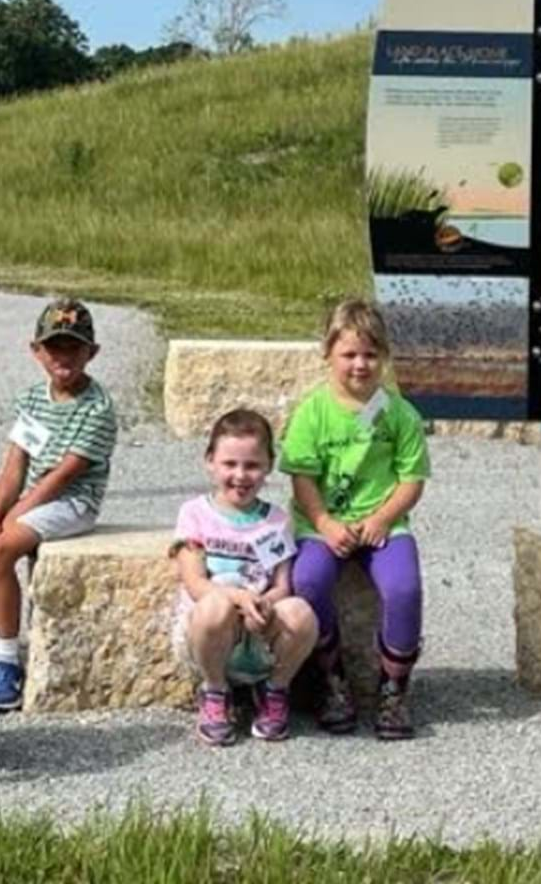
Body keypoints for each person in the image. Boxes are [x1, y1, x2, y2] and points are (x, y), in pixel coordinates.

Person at [0, 298, 118, 715]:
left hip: (72, 500)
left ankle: (8, 661)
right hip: (29, 497)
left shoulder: (98, 408)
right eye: (55, 347)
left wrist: (11, 519)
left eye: (74, 348)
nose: (64, 357)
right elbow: (14, 465)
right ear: (37, 351)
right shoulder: (31, 399)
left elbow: (65, 473)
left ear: (91, 353)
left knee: (0, 551)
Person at [278, 297, 430, 740]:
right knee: (308, 580)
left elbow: (412, 479)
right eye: (349, 354)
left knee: (404, 587)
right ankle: (332, 678)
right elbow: (302, 477)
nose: (360, 365)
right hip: (322, 524)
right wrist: (324, 522)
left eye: (370, 355)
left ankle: (394, 686)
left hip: (384, 522)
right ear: (328, 355)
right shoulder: (313, 411)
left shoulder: (399, 413)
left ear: (384, 357)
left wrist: (383, 518)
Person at [171, 409, 319, 746]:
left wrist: (265, 604)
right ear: (210, 461)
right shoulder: (195, 513)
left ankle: (274, 690)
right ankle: (215, 692)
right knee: (214, 607)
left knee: (301, 613)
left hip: (258, 630)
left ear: (268, 465)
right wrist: (239, 599)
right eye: (230, 464)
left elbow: (283, 583)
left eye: (252, 465)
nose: (240, 475)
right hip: (209, 632)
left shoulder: (276, 521)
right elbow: (195, 583)